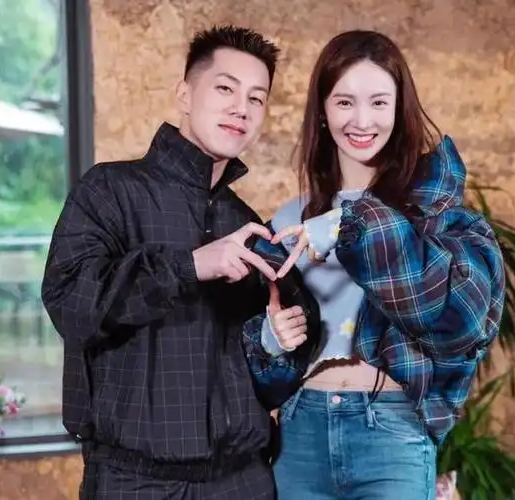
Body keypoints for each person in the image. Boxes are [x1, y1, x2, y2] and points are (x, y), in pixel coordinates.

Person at [41, 25, 315, 500]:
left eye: (257, 98)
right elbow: (71, 305)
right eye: (225, 88)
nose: (242, 108)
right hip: (135, 481)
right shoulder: (109, 191)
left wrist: (274, 337)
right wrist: (190, 265)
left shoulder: (246, 223)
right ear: (184, 95)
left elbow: (270, 372)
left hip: (243, 480)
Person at [243, 30, 505, 499]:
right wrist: (270, 340)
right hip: (301, 432)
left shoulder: (433, 211)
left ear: (399, 111)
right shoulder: (289, 220)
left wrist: (348, 225)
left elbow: (462, 322)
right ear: (322, 112)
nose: (362, 120)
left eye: (379, 102)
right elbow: (254, 361)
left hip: (390, 430)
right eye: (344, 102)